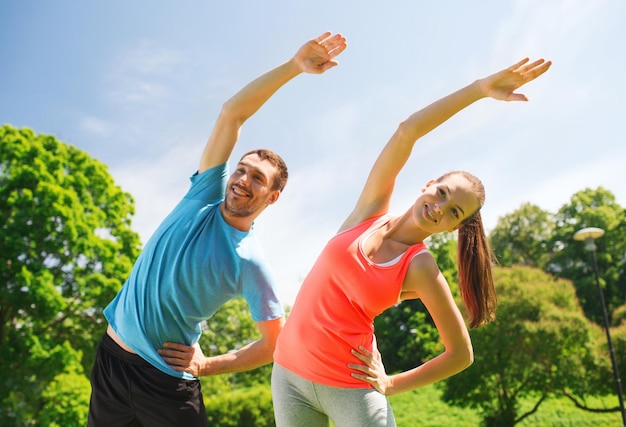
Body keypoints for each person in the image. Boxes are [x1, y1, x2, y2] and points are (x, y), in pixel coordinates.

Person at [271, 56, 552, 427]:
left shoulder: (420, 266)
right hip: (288, 376)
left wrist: (391, 383)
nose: (439, 208)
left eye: (454, 212)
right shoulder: (369, 211)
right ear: (427, 184)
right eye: (441, 193)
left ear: (454, 228)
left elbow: (460, 353)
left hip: (351, 387)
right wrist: (480, 89)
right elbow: (408, 130)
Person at [87, 31, 347, 427]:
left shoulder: (251, 262)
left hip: (167, 385)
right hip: (111, 362)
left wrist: (208, 365)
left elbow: (275, 343)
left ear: (272, 197)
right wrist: (294, 67)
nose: (242, 179)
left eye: (258, 178)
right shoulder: (202, 196)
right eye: (241, 170)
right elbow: (232, 113)